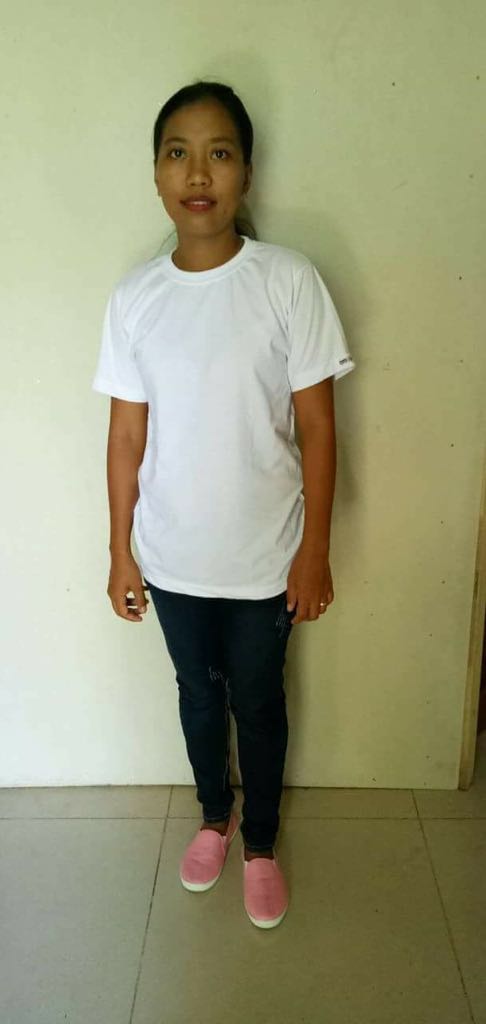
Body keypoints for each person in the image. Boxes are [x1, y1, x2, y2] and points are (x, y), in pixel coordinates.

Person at [92, 79, 355, 929]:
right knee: (197, 696)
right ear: (157, 174)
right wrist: (120, 551)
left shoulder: (287, 280)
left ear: (246, 171)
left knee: (259, 700)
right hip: (172, 558)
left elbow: (318, 427)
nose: (197, 173)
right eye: (178, 153)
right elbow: (125, 437)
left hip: (266, 558)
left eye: (219, 152)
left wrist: (315, 552)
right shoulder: (135, 298)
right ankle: (215, 816)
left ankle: (262, 842)